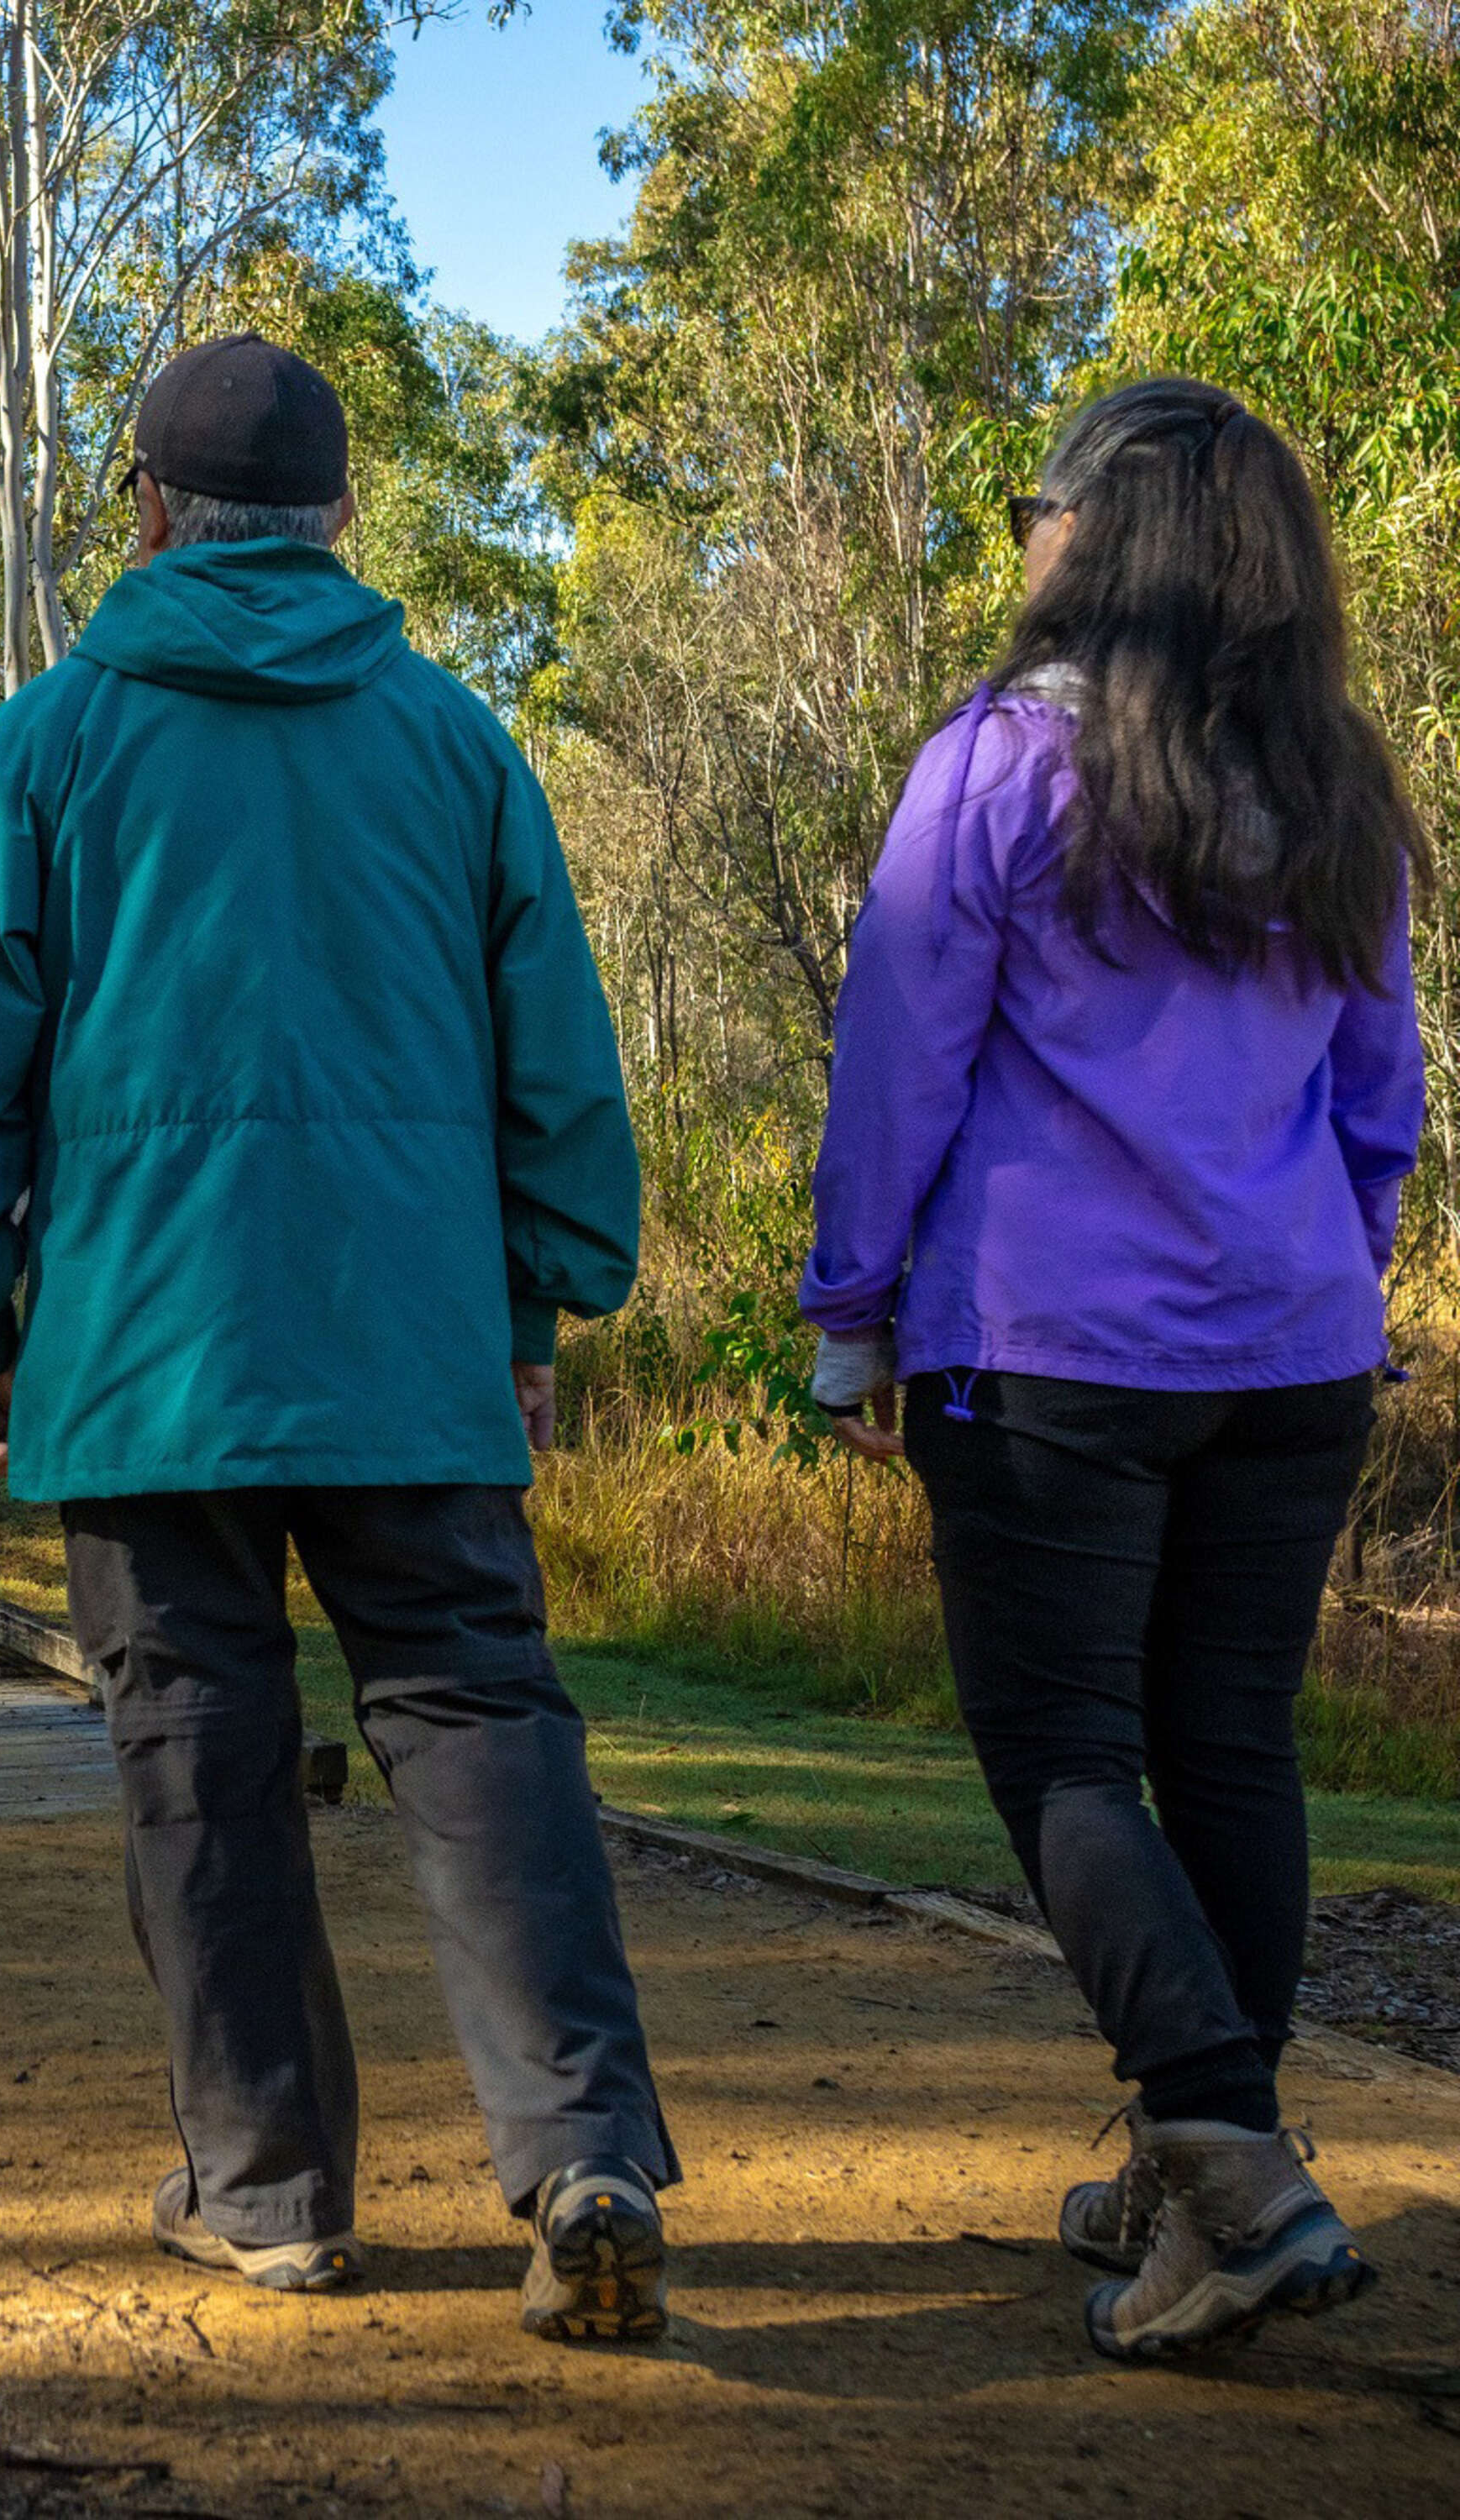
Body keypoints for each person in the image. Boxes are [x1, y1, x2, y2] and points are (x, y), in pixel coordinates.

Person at [0, 332, 675, 2341]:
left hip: (145, 1361)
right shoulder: (456, 745)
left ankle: (270, 2192)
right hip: (412, 1348)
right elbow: (554, 1068)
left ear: (145, 510)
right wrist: (542, 1299)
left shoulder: (42, 750)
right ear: (338, 520)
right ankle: (577, 2146)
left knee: (200, 1752)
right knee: (479, 1717)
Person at [802, 377, 1428, 2361]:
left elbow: (903, 1062)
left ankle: (1231, 2173)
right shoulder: (1338, 794)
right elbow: (1378, 1097)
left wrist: (850, 1313)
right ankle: (1196, 2167)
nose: (1020, 543)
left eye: (1027, 507)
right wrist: (1332, 1271)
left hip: (1053, 1352)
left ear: (1093, 538)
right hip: (1296, 1349)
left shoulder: (997, 769)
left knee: (1069, 1752)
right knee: (1229, 1747)